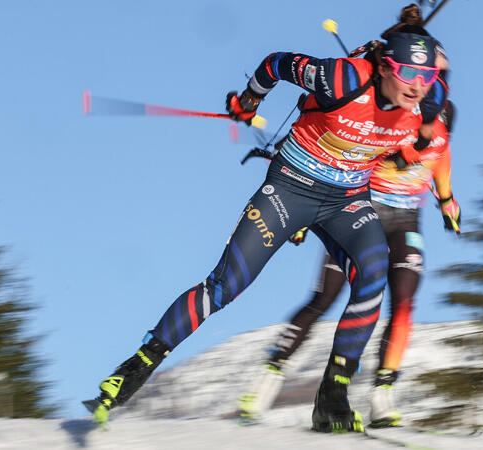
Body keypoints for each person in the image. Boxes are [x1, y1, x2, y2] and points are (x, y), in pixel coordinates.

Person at [85, 25, 447, 434]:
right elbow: (275, 63)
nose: (417, 86)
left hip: (347, 200)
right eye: (407, 73)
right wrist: (248, 100)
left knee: (373, 277)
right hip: (291, 189)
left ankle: (333, 396)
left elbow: (418, 139)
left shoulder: (431, 101)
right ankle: (134, 368)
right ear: (384, 67)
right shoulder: (341, 78)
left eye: (427, 76)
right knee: (226, 285)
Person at [236, 100, 460, 428]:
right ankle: (267, 378)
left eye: (437, 134)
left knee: (403, 304)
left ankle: (382, 395)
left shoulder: (440, 145)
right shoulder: (391, 130)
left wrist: (449, 209)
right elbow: (338, 153)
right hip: (360, 215)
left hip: (405, 225)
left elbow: (443, 184)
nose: (429, 138)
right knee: (324, 299)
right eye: (424, 130)